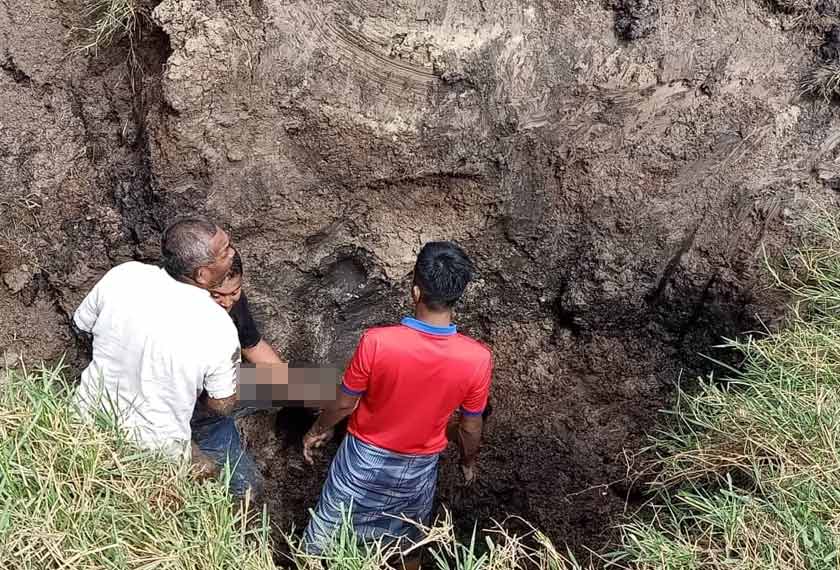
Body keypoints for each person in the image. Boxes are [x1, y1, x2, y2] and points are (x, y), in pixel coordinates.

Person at [301, 241, 493, 568]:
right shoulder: (477, 358)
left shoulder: (378, 342)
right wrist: (467, 461)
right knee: (407, 545)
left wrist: (317, 430)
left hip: (363, 459)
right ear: (456, 295)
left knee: (322, 539)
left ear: (416, 291)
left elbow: (346, 403)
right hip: (418, 468)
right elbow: (471, 426)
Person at [72, 216, 259, 497]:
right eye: (225, 250)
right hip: (156, 448)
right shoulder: (216, 326)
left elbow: (82, 324)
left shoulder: (124, 275)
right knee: (245, 490)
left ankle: (323, 394)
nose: (232, 253)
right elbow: (221, 405)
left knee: (289, 385)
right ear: (202, 275)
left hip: (87, 418)